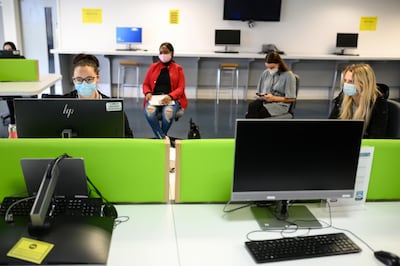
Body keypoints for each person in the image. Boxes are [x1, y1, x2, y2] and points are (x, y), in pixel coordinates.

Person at [63, 53, 134, 138]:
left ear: (97, 78)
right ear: (73, 80)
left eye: (89, 79)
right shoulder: (63, 104)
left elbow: (127, 137)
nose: (84, 83)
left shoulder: (113, 106)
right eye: (79, 79)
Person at [329, 63, 388, 138]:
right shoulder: (343, 97)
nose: (346, 85)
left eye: (351, 81)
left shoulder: (378, 103)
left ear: (364, 83)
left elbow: (376, 136)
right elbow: (331, 125)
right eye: (345, 80)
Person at [142, 42, 187, 139]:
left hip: (171, 98)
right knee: (150, 112)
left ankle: (160, 138)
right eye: (161, 52)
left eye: (166, 52)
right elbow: (145, 84)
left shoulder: (178, 69)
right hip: (154, 98)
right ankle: (162, 138)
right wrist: (148, 92)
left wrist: (170, 96)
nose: (163, 55)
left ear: (172, 53)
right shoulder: (153, 67)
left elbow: (181, 88)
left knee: (168, 112)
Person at [245, 51, 296, 118]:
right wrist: (262, 96)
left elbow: (291, 99)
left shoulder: (288, 75)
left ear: (279, 64)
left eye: (272, 68)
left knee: (260, 113)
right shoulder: (266, 73)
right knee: (252, 106)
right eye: (268, 67)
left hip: (280, 105)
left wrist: (273, 98)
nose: (269, 70)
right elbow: (259, 92)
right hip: (266, 102)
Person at [1, 41, 19, 125]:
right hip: (5, 88)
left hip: (17, 87)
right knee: (10, 96)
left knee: (13, 96)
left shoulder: (19, 61)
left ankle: (14, 120)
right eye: (5, 50)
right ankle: (13, 121)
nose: (7, 52)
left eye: (9, 49)